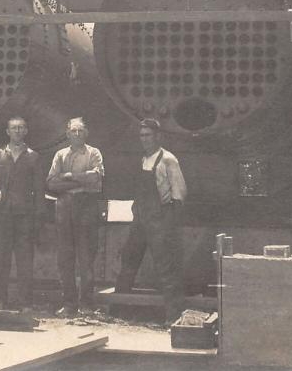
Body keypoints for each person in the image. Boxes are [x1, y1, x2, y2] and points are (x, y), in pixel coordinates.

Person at [115, 118, 187, 325]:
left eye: (148, 135)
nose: (144, 140)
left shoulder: (168, 160)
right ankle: (119, 312)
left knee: (166, 268)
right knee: (129, 260)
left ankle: (173, 316)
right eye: (142, 136)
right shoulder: (143, 159)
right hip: (140, 220)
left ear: (158, 136)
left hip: (160, 221)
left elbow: (179, 194)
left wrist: (168, 223)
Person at [0, 117, 45, 309]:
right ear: (8, 132)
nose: (18, 131)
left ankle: (25, 303)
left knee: (25, 260)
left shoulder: (33, 157)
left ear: (26, 131)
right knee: (1, 259)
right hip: (2, 214)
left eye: (21, 128)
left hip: (25, 217)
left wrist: (39, 219)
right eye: (14, 128)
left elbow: (39, 191)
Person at [47, 117, 104, 316]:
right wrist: (80, 181)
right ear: (68, 133)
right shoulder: (60, 155)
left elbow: (96, 179)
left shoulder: (93, 153)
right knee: (65, 257)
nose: (77, 134)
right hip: (64, 207)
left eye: (81, 131)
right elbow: (51, 183)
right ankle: (69, 304)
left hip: (86, 207)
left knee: (86, 257)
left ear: (86, 133)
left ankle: (86, 304)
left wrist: (68, 176)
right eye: (74, 131)